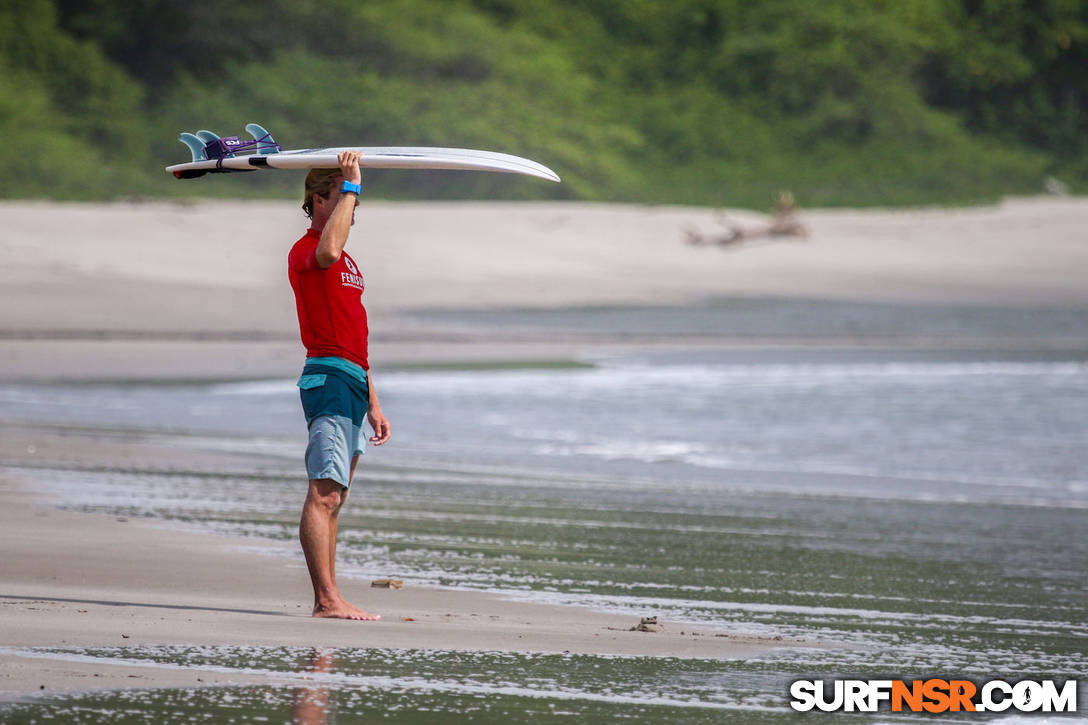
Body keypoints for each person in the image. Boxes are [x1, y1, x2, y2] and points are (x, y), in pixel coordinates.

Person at [288, 151, 391, 620]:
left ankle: (331, 596)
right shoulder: (308, 250)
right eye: (343, 197)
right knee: (324, 492)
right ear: (319, 200)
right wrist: (352, 184)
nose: (353, 206)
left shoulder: (347, 260)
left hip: (352, 381)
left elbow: (357, 333)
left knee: (338, 497)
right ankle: (325, 600)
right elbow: (327, 250)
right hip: (327, 378)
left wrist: (374, 401)